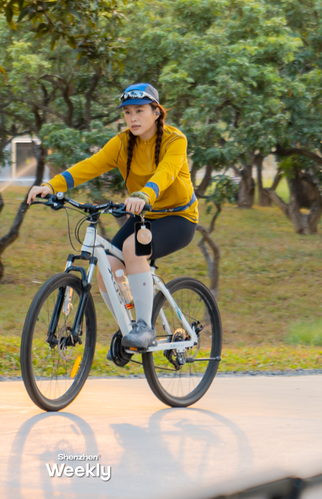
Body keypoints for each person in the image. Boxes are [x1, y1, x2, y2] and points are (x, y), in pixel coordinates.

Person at [27, 82, 198, 351]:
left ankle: (145, 328)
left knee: (132, 249)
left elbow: (166, 172)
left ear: (156, 112)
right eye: (127, 112)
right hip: (145, 214)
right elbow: (90, 166)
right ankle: (128, 331)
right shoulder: (122, 143)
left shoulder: (175, 140)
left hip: (178, 217)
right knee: (106, 264)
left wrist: (144, 195)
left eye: (139, 111)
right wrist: (51, 186)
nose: (132, 118)